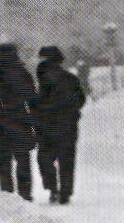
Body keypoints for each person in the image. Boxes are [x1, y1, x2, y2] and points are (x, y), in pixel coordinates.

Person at [0, 43, 38, 200]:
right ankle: (25, 195)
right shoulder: (21, 73)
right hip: (19, 121)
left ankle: (7, 195)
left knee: (3, 162)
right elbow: (32, 99)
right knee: (23, 160)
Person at [31, 46, 86, 205]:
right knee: (67, 159)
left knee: (45, 158)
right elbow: (81, 99)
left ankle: (53, 188)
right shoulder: (71, 78)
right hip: (68, 125)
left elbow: (36, 103)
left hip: (47, 126)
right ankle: (65, 193)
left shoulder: (43, 79)